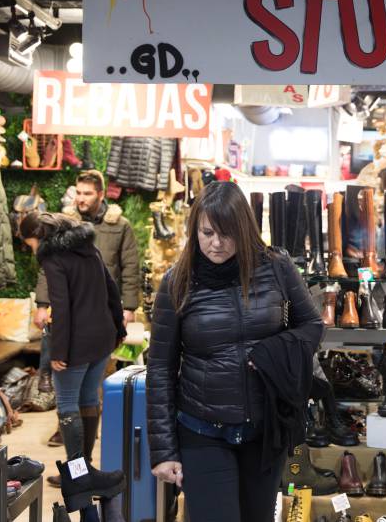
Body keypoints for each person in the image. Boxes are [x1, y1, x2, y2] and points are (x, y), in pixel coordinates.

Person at [147, 181, 323, 522]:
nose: (216, 243)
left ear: (243, 229)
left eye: (226, 233)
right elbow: (160, 369)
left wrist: (271, 354)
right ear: (195, 229)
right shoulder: (177, 282)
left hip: (264, 432)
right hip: (202, 432)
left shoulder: (277, 267)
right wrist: (163, 450)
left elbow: (312, 325)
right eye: (207, 232)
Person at [21, 212, 125, 495]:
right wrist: (118, 327)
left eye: (29, 243)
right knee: (89, 399)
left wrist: (58, 350)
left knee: (67, 404)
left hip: (76, 342)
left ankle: (78, 475)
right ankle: (85, 469)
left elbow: (62, 305)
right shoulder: (88, 247)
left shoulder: (53, 258)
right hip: (102, 336)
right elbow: (111, 288)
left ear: (37, 237)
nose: (31, 250)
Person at [36, 169, 140, 447]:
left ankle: (79, 458)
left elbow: (130, 267)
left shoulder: (119, 226)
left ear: (101, 194)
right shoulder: (67, 225)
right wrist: (42, 303)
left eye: (87, 193)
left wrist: (127, 308)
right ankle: (78, 450)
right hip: (89, 318)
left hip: (98, 314)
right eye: (78, 192)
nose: (81, 198)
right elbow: (50, 275)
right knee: (80, 392)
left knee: (79, 392)